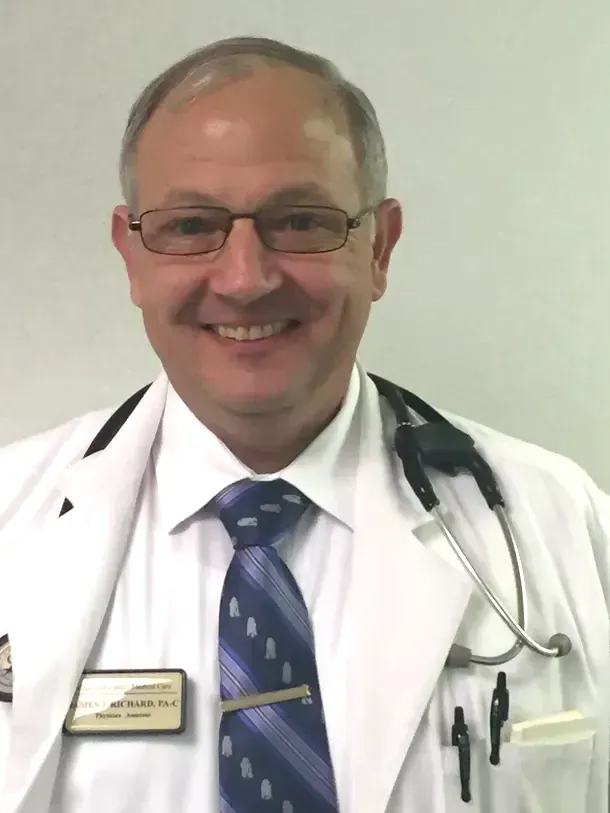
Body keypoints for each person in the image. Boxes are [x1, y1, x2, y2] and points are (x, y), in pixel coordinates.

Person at [0, 35, 608, 813]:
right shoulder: (13, 523)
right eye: (191, 225)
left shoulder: (565, 526)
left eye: (301, 221)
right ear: (133, 256)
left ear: (379, 246)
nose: (246, 278)